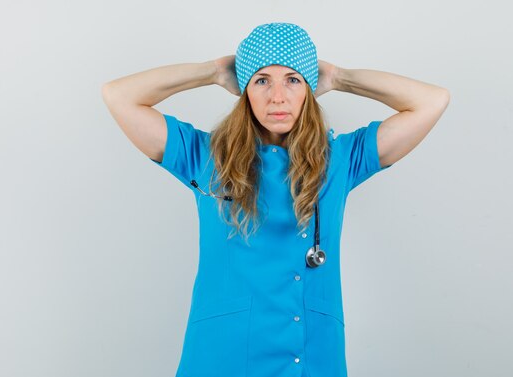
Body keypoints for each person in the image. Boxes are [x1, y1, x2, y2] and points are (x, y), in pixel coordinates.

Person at [101, 22, 450, 377]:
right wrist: (212, 71)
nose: (277, 96)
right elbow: (118, 96)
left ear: (310, 90)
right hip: (223, 355)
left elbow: (432, 101)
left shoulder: (341, 160)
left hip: (313, 354)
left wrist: (341, 78)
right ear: (245, 90)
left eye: (293, 80)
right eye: (262, 80)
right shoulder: (205, 157)